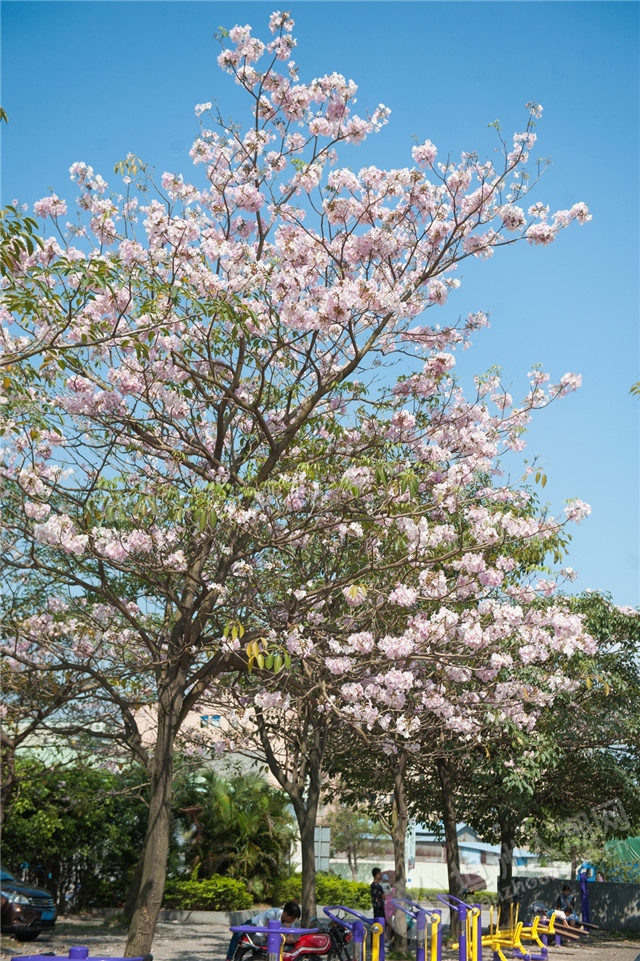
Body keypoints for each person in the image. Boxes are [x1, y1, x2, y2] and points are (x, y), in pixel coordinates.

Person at [225, 901, 301, 961]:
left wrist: (288, 933)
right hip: (253, 925)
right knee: (237, 933)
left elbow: (290, 939)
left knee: (258, 954)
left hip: (261, 937)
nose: (292, 921)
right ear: (285, 913)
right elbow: (268, 932)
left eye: (293, 919)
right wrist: (284, 936)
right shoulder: (273, 913)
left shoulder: (290, 922)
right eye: (291, 918)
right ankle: (229, 957)